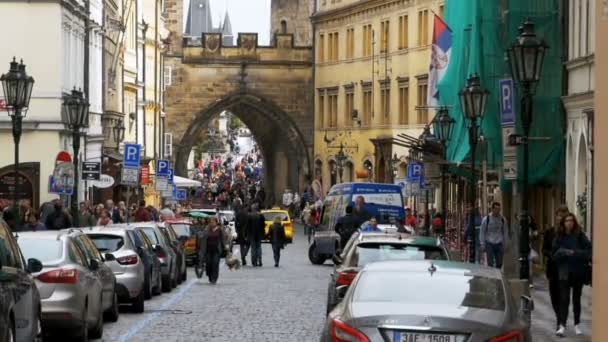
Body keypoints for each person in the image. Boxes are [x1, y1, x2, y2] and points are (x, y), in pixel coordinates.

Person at [553, 213, 591, 337]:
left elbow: (588, 252)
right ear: (563, 223)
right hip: (564, 272)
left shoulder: (580, 236)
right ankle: (562, 326)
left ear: (574, 222)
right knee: (564, 299)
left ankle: (577, 324)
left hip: (578, 272)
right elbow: (555, 254)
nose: (569, 223)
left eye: (571, 220)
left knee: (577, 299)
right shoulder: (559, 236)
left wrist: (574, 253)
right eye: (567, 221)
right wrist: (563, 252)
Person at [543, 205, 570, 330]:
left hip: (565, 269)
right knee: (554, 296)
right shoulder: (550, 232)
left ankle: (560, 321)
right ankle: (559, 317)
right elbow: (544, 249)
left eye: (563, 215)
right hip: (552, 269)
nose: (560, 217)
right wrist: (551, 255)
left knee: (563, 296)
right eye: (559, 215)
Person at [197, 217, 230, 284]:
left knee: (215, 263)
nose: (212, 223)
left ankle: (214, 277)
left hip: (216, 250)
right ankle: (209, 275)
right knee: (208, 263)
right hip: (208, 250)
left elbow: (223, 238)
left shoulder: (220, 230)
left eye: (213, 222)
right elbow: (202, 236)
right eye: (211, 222)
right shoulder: (207, 229)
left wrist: (226, 246)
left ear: (216, 222)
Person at [479, 202, 508, 268]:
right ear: (492, 209)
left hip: (499, 243)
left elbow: (505, 232)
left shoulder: (503, 219)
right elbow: (482, 232)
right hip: (489, 243)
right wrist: (482, 244)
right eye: (496, 209)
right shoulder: (486, 219)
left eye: (499, 209)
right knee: (490, 263)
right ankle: (492, 277)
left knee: (500, 263)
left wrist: (506, 244)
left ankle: (497, 276)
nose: (498, 211)